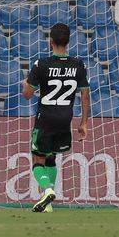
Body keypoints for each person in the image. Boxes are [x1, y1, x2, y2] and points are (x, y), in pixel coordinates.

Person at [22, 23, 90, 213]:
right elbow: (85, 95)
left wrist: (26, 82)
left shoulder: (41, 64)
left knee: (38, 160)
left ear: (50, 40)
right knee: (51, 159)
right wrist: (83, 123)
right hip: (64, 119)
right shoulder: (78, 64)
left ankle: (48, 190)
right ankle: (48, 204)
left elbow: (27, 94)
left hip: (45, 118)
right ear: (68, 42)